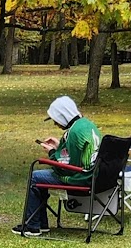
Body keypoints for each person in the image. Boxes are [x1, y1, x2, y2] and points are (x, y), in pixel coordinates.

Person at [16, 95, 101, 236]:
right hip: (93, 174)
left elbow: (65, 168)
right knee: (41, 177)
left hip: (80, 178)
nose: (56, 124)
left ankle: (32, 226)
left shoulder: (74, 133)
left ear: (63, 116)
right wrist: (59, 146)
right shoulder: (86, 124)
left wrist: (51, 153)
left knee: (35, 177)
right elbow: (76, 154)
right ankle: (41, 224)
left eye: (56, 120)